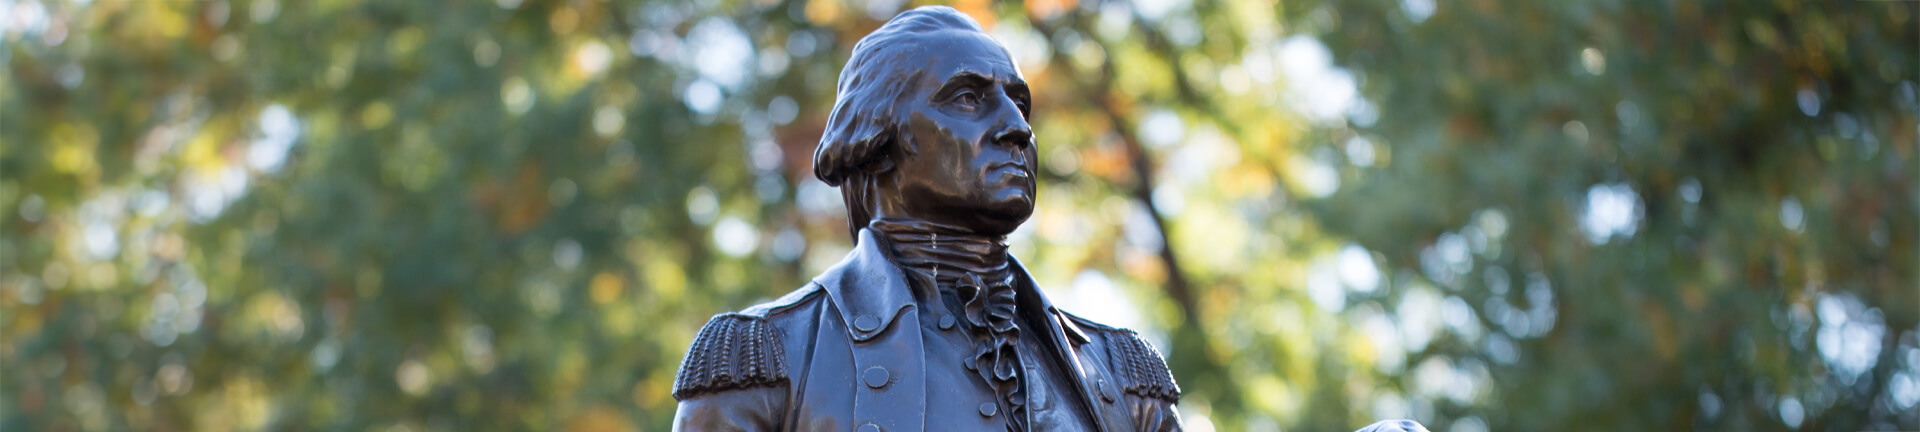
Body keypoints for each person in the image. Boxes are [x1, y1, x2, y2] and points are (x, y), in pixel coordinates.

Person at [670, 6, 1426, 432]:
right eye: (968, 99)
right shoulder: (768, 360)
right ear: (879, 139)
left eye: (1019, 103)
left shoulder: (1121, 376)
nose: (1016, 128)